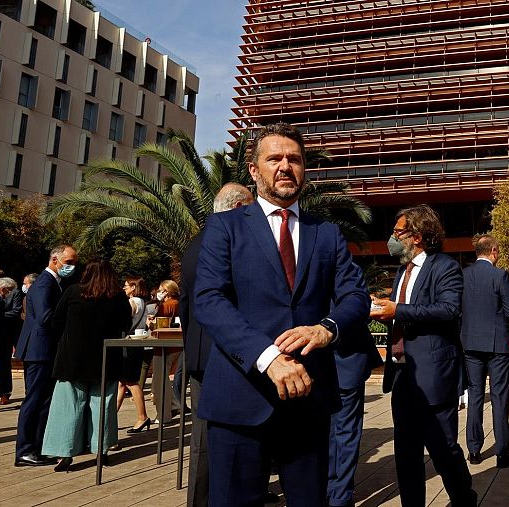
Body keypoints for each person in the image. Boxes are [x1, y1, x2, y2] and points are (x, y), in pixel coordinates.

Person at [194, 122, 370, 506]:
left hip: (308, 399)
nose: (285, 166)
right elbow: (208, 299)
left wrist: (327, 329)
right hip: (240, 397)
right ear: (255, 171)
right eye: (274, 158)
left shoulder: (327, 233)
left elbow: (355, 295)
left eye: (294, 159)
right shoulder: (224, 228)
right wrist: (269, 357)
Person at [370, 204, 476, 507]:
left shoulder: (444, 267)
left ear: (416, 235)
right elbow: (405, 309)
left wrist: (398, 310)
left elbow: (449, 309)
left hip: (433, 376)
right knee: (406, 453)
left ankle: (463, 499)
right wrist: (386, 309)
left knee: (443, 450)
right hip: (402, 373)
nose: (392, 237)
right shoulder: (403, 270)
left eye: (398, 231)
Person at [179, 182, 255, 507]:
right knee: (228, 434)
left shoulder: (195, 243)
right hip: (227, 353)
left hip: (200, 352)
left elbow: (186, 304)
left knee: (204, 434)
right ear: (239, 209)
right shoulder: (231, 243)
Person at [41, 260, 132, 471]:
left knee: (68, 406)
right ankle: (101, 450)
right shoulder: (117, 296)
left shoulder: (73, 292)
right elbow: (125, 324)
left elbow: (56, 321)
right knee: (103, 406)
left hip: (72, 359)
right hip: (105, 358)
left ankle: (65, 453)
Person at [15, 244, 78, 467]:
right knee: (34, 400)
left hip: (45, 350)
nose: (71, 267)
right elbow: (45, 317)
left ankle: (37, 446)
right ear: (54, 259)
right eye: (68, 262)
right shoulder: (44, 283)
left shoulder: (53, 283)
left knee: (43, 401)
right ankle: (25, 449)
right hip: (39, 350)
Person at [460, 234, 509, 468]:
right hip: (497, 345)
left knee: (474, 397)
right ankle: (502, 452)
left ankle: (474, 450)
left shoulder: (463, 275)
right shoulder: (500, 275)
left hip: (471, 343)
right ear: (493, 250)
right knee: (499, 397)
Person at [328, 318, 383, 507]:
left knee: (344, 432)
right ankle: (334, 491)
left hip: (345, 361)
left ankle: (339, 496)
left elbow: (358, 307)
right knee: (333, 432)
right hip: (317, 363)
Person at [115, 276, 152, 434]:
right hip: (137, 343)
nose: (124, 288)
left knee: (130, 381)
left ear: (133, 287)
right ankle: (110, 416)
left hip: (128, 343)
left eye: (126, 286)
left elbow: (123, 321)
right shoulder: (144, 303)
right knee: (123, 382)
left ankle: (142, 416)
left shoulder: (132, 302)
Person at [148, 279, 181, 422]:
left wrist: (150, 323)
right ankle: (174, 405)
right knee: (162, 380)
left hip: (163, 346)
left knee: (159, 382)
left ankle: (164, 414)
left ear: (166, 291)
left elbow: (158, 325)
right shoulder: (179, 304)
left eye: (160, 289)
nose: (158, 292)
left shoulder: (166, 306)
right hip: (177, 345)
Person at [0, 277, 17, 405]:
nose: (9, 294)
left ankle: (4, 394)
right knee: (4, 367)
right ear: (3, 289)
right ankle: (4, 395)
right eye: (9, 291)